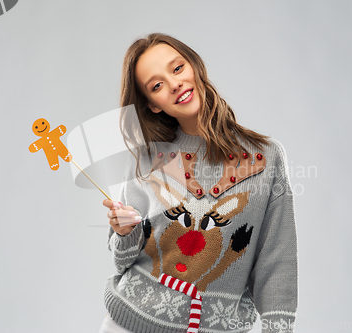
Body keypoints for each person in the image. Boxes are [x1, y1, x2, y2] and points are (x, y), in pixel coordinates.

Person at [100, 33, 298, 333]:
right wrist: (124, 232)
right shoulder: (148, 157)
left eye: (177, 69)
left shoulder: (267, 158)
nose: (174, 83)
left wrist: (278, 328)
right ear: (152, 104)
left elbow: (277, 256)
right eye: (157, 85)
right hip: (130, 322)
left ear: (193, 66)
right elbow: (121, 260)